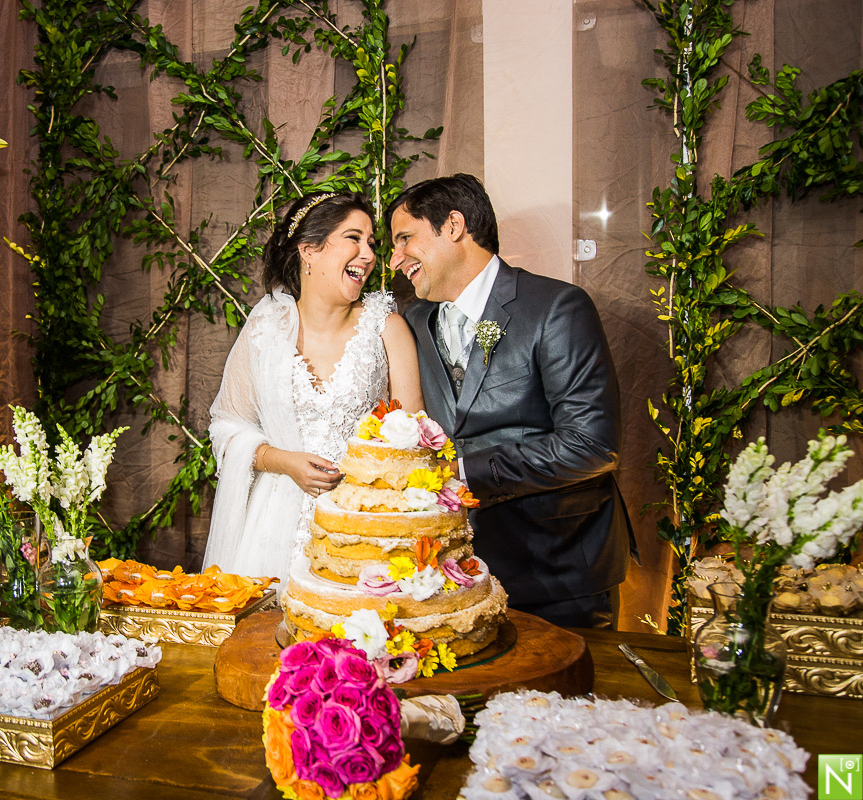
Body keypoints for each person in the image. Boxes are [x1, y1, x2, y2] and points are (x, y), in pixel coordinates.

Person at [386, 173, 634, 628]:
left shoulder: (557, 308)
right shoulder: (412, 321)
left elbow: (592, 445)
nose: (394, 258)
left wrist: (461, 472)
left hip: (558, 569)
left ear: (454, 225)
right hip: (453, 576)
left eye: (405, 239)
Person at [204, 192, 423, 581]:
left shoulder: (387, 329)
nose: (369, 254)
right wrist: (284, 462)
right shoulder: (265, 330)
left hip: (361, 525)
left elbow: (412, 443)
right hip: (271, 530)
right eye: (353, 238)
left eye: (371, 243)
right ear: (309, 250)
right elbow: (226, 427)